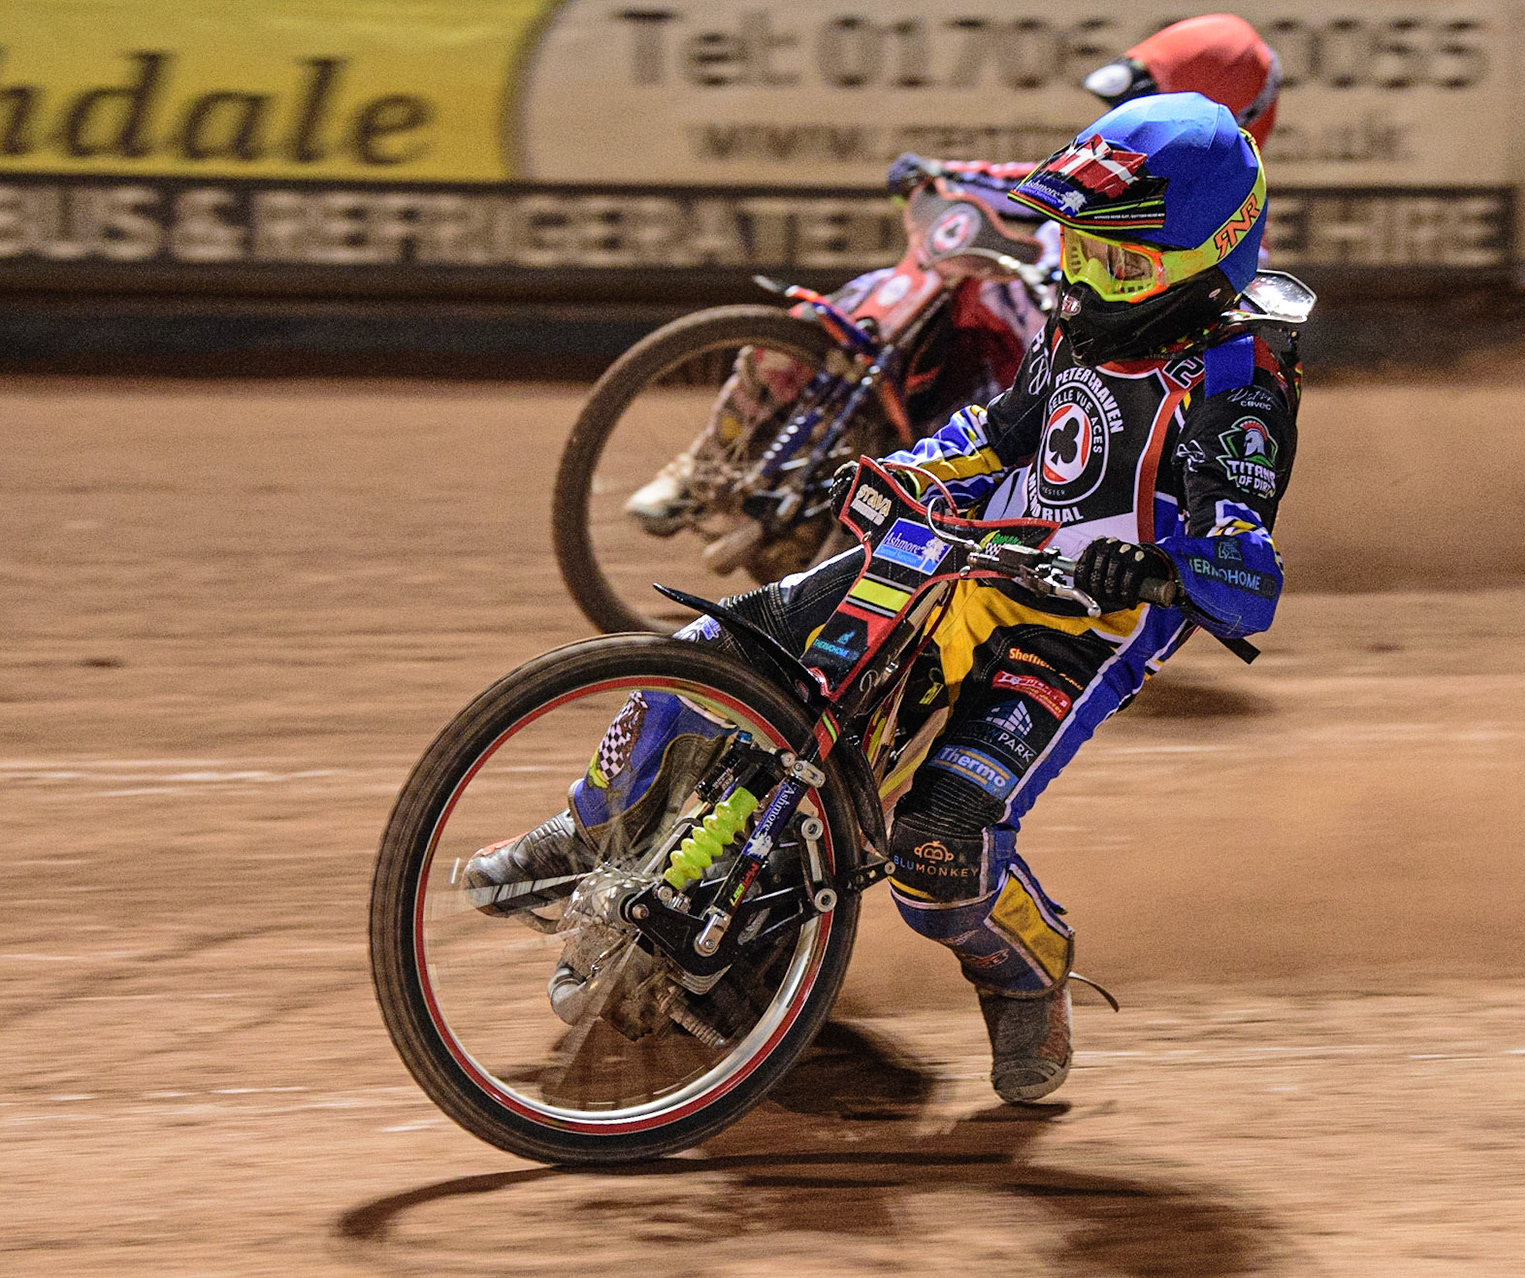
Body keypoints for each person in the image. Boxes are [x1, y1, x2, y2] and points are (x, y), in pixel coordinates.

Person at [475, 92, 1300, 1104]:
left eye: (1116, 263)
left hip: (1084, 628)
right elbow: (996, 434)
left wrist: (1168, 567)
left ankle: (1026, 974)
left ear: (1209, 258)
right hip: (961, 554)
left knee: (939, 850)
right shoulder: (1079, 319)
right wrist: (899, 471)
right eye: (1076, 251)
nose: (1084, 279)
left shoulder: (1238, 377)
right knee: (712, 654)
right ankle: (583, 829)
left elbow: (1245, 567)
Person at [625, 14, 1282, 525]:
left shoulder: (1229, 242)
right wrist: (942, 175)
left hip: (1067, 404)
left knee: (991, 499)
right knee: (857, 300)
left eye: (1152, 97)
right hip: (1011, 334)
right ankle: (706, 463)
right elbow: (1015, 183)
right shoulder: (1107, 170)